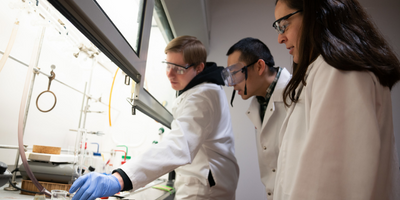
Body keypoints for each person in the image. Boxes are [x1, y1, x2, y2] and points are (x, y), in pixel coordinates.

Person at [69, 36, 239, 200]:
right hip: (204, 181)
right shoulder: (200, 89)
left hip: (203, 190)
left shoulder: (203, 95)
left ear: (199, 68)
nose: (170, 74)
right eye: (168, 66)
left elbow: (179, 145)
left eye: (179, 68)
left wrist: (120, 178)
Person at [272, 0, 400, 199]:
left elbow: (331, 186)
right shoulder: (322, 70)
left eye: (284, 25)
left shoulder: (340, 72)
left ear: (316, 13)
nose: (280, 38)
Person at [222, 37, 290, 199]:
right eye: (228, 76)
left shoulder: (297, 97)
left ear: (259, 66)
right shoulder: (259, 104)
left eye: (235, 73)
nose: (231, 84)